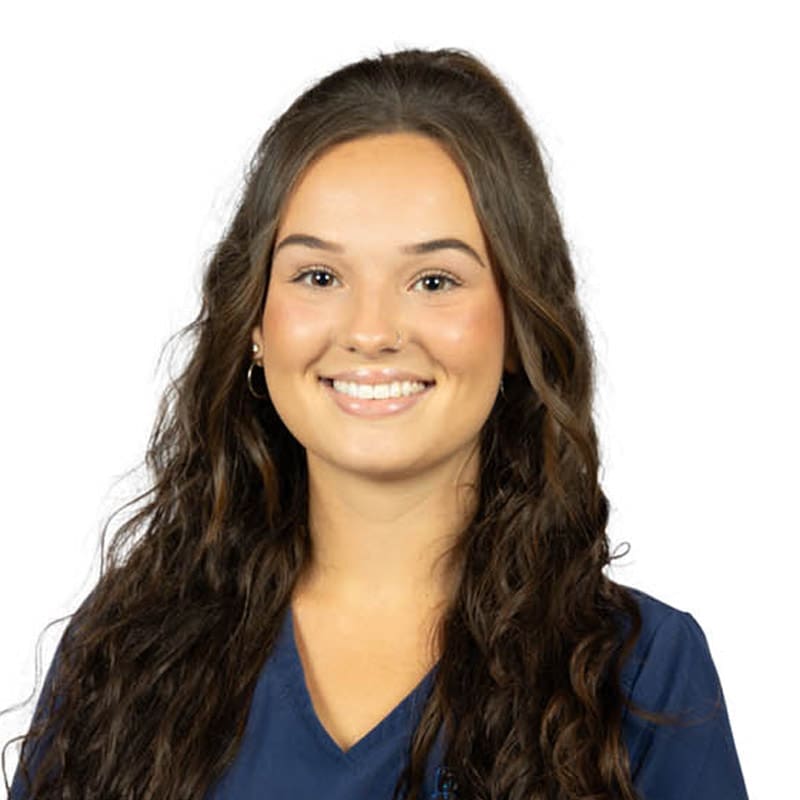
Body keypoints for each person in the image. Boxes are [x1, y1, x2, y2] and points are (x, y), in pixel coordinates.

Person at [5, 47, 748, 800]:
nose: (371, 331)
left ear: (518, 326)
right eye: (319, 276)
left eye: (434, 280)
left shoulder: (640, 676)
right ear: (255, 322)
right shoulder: (126, 655)